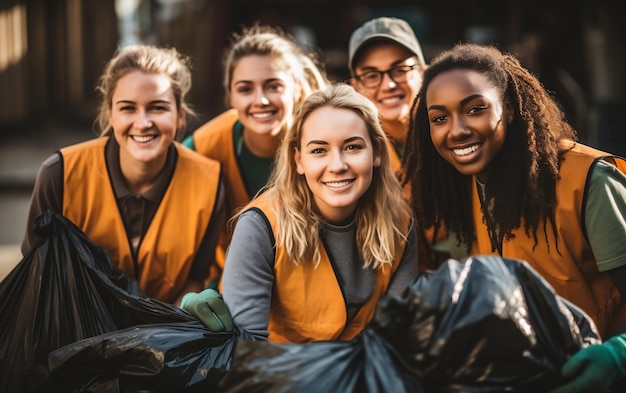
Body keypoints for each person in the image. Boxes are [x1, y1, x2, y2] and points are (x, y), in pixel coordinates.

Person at [402, 42, 626, 392]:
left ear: (507, 109)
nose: (456, 130)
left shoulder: (589, 182)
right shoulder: (463, 193)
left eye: (474, 109)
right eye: (439, 118)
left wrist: (617, 357)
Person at [184, 84, 419, 342]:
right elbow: (246, 349)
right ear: (298, 160)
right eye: (319, 150)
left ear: (377, 152)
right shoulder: (260, 226)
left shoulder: (402, 222)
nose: (338, 165)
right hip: (279, 375)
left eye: (352, 147)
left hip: (365, 372)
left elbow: (394, 335)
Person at [21, 44, 226, 305]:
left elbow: (194, 279)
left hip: (165, 336)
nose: (142, 123)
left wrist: (166, 334)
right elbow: (37, 275)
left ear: (180, 117)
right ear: (110, 115)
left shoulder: (209, 181)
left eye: (158, 108)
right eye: (128, 108)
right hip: (74, 336)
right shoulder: (59, 174)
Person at [181, 24, 330, 289]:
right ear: (230, 95)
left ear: (296, 88)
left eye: (273, 86)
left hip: (315, 281)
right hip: (234, 284)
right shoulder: (203, 145)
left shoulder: (325, 139)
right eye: (245, 89)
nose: (260, 100)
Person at [348, 16, 447, 271]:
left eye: (400, 70)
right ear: (355, 86)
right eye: (371, 75)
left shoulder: (454, 133)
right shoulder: (353, 155)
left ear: (424, 74)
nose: (389, 85)